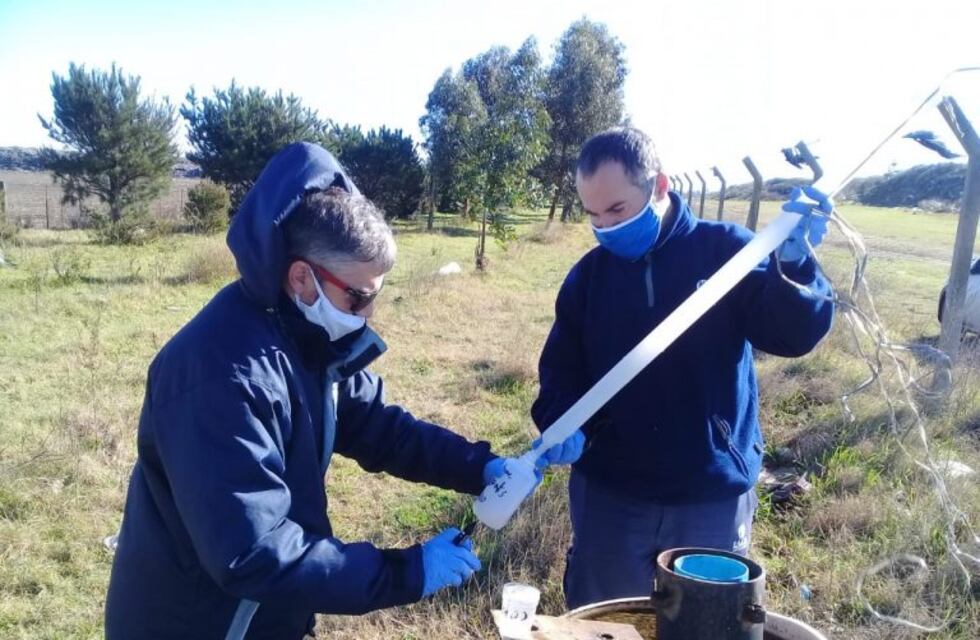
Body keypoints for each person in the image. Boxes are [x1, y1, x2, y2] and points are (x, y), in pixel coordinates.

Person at [105, 142, 560, 639]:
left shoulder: (307, 335)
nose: (368, 316)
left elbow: (381, 428)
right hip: (197, 621)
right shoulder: (219, 376)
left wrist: (481, 469)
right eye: (359, 297)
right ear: (302, 277)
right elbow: (253, 552)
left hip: (266, 613)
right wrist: (409, 571)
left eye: (377, 296)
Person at [530, 127, 835, 608]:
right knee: (602, 621)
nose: (606, 227)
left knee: (707, 622)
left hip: (708, 491)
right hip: (612, 489)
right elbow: (561, 371)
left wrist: (794, 266)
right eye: (592, 214)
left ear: (659, 186)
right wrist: (560, 422)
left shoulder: (727, 253)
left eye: (617, 210)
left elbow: (791, 335)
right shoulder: (588, 278)